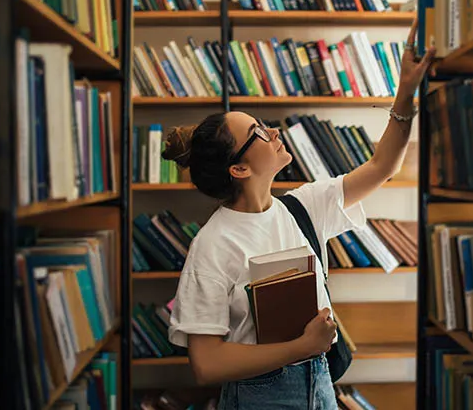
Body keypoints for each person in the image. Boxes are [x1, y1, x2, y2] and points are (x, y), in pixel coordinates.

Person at [162, 21, 435, 410]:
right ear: (239, 169)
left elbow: (382, 167)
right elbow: (206, 364)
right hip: (259, 399)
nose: (273, 131)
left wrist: (406, 90)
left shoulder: (303, 205)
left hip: (320, 385)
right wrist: (302, 346)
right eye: (258, 132)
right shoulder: (212, 245)